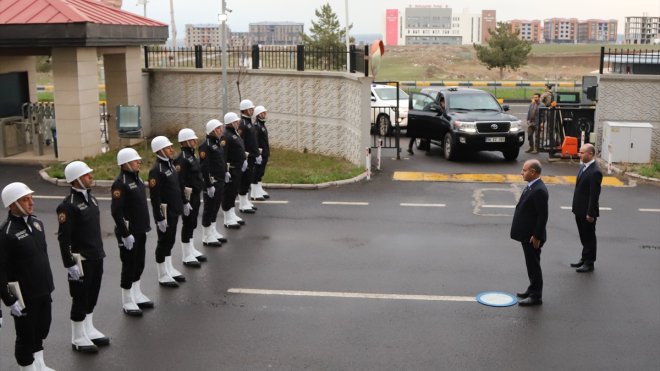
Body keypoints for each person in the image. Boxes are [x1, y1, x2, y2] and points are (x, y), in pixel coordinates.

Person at [1, 182, 56, 370]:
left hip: (43, 289)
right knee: (26, 335)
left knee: (42, 329)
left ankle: (39, 364)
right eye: (25, 199)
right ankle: (26, 367)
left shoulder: (36, 223)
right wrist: (9, 300)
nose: (31, 202)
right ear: (12, 204)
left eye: (31, 198)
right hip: (25, 296)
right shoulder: (7, 233)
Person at [56, 161, 108, 353]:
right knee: (80, 298)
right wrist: (69, 264)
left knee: (92, 295)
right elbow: (63, 239)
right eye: (86, 175)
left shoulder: (91, 199)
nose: (90, 177)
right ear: (76, 180)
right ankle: (78, 337)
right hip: (81, 260)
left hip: (96, 255)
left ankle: (88, 328)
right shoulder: (67, 206)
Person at [111, 148, 154, 316]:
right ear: (125, 164)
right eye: (135, 160)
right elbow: (116, 212)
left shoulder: (136, 178)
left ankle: (137, 293)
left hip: (140, 229)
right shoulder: (120, 183)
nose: (138, 162)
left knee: (139, 263)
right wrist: (125, 234)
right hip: (129, 232)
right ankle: (127, 299)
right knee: (129, 265)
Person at [510, 159, 548, 306]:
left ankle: (536, 296)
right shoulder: (533, 186)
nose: (521, 173)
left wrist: (537, 236)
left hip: (533, 237)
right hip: (528, 235)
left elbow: (543, 215)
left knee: (534, 265)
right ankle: (532, 289)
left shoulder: (539, 190)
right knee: (530, 264)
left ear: (533, 172)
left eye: (524, 170)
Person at [148, 136, 185, 287]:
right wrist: (159, 218)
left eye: (171, 147)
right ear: (160, 150)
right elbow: (155, 197)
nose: (172, 150)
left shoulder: (170, 165)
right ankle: (162, 273)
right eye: (168, 148)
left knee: (170, 240)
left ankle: (169, 268)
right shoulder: (156, 171)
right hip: (165, 213)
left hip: (174, 210)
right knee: (163, 242)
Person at [175, 128, 209, 268]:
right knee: (188, 223)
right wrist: (184, 201)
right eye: (192, 140)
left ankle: (191, 248)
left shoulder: (190, 155)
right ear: (185, 142)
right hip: (188, 197)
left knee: (193, 222)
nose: (195, 141)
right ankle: (186, 254)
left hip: (195, 194)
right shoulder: (181, 159)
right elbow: (180, 181)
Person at [571, 143, 603, 273]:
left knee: (589, 237)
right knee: (583, 236)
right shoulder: (584, 167)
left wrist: (590, 213)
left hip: (587, 212)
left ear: (590, 154)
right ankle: (584, 258)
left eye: (582, 152)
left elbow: (594, 195)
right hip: (579, 209)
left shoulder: (595, 172)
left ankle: (589, 263)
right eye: (580, 152)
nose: (580, 154)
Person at [198, 120, 230, 244]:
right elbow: (204, 167)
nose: (220, 130)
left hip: (220, 180)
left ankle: (212, 230)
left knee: (216, 207)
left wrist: (226, 171)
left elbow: (221, 160)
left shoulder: (217, 143)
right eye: (217, 129)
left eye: (220, 128)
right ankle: (206, 236)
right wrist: (208, 185)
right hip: (212, 182)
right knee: (209, 208)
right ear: (211, 131)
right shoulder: (205, 146)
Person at [222, 112, 247, 228]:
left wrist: (243, 160)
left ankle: (232, 213)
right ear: (231, 123)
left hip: (237, 168)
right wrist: (225, 170)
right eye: (236, 122)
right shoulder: (226, 136)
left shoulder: (234, 133)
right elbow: (223, 154)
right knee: (228, 193)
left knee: (233, 192)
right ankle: (227, 218)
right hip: (231, 169)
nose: (238, 123)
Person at [237, 99, 259, 213]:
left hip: (252, 156)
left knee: (248, 179)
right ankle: (242, 204)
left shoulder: (249, 122)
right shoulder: (242, 124)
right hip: (246, 157)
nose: (252, 110)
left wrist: (257, 154)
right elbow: (241, 142)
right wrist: (243, 157)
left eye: (252, 108)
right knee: (244, 180)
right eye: (250, 109)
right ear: (244, 110)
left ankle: (245, 201)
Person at [251, 105, 270, 201]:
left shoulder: (262, 125)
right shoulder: (256, 126)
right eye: (263, 113)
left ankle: (259, 188)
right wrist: (257, 154)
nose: (265, 114)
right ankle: (254, 192)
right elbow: (255, 141)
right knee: (256, 172)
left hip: (264, 153)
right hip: (259, 154)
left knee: (261, 172)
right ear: (258, 115)